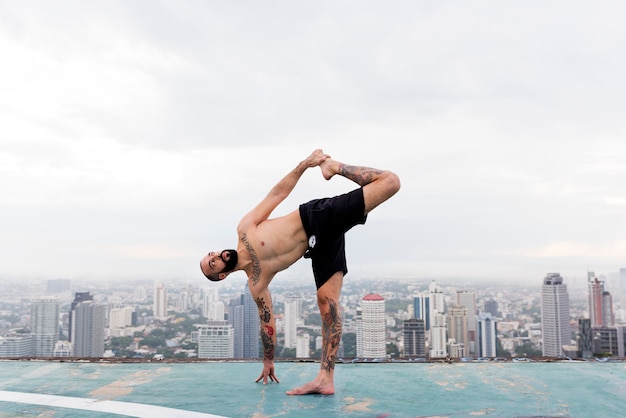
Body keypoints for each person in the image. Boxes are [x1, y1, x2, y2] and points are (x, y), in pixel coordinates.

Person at [199, 149, 400, 395]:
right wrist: (268, 361)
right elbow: (267, 323)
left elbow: (278, 194)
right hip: (318, 246)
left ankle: (333, 167)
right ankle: (325, 379)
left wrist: (304, 165)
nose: (216, 256)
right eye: (212, 263)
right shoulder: (256, 282)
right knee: (328, 306)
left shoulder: (245, 229)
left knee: (390, 182)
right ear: (221, 275)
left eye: (212, 254)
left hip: (315, 218)